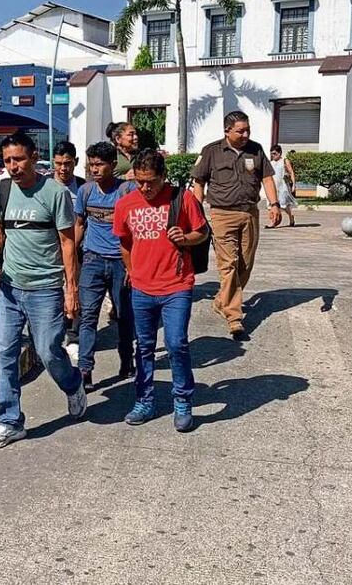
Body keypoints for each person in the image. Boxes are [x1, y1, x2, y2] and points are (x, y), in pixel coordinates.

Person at [0, 131, 86, 449]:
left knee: (49, 353)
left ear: (34, 158)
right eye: (8, 160)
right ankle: (10, 421)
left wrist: (71, 291)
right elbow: (0, 231)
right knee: (5, 354)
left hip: (45, 289)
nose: (13, 166)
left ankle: (73, 384)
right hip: (10, 288)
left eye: (19, 159)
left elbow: (68, 244)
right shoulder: (3, 190)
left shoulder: (54, 193)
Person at [113, 149, 209, 432]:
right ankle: (144, 400)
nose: (145, 187)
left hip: (177, 284)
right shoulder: (126, 204)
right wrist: (131, 271)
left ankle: (182, 401)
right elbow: (125, 242)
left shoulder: (183, 198)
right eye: (140, 181)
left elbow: (202, 232)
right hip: (142, 288)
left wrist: (187, 237)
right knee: (143, 347)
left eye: (151, 181)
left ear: (163, 177)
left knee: (176, 343)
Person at [191, 110, 280, 340]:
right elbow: (198, 182)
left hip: (250, 213)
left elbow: (267, 178)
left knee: (245, 263)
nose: (245, 134)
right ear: (227, 131)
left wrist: (274, 204)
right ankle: (234, 316)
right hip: (222, 215)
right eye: (240, 131)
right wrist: (197, 211)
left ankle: (223, 300)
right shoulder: (211, 151)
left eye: (247, 129)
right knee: (228, 263)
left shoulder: (256, 149)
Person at [74, 141, 138, 392]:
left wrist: (134, 265)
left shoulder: (127, 191)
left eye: (99, 164)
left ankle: (126, 359)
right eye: (91, 165)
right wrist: (71, 258)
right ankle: (85, 369)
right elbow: (79, 224)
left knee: (124, 316)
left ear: (113, 165)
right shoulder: (86, 192)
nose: (95, 169)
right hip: (92, 259)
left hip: (121, 262)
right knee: (88, 316)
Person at [52, 141, 86, 362]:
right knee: (53, 294)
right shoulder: (45, 186)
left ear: (76, 162)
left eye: (68, 163)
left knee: (76, 292)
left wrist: (74, 245)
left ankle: (74, 337)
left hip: (78, 249)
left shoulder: (83, 187)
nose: (63, 168)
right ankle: (54, 336)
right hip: (51, 251)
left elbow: (84, 221)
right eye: (59, 164)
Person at [268, 144, 298, 227]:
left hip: (282, 186)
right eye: (272, 154)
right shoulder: (271, 163)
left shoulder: (284, 161)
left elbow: (291, 172)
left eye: (275, 153)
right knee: (271, 205)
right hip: (274, 186)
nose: (273, 155)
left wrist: (293, 185)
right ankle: (273, 222)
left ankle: (291, 217)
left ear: (280, 153)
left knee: (284, 205)